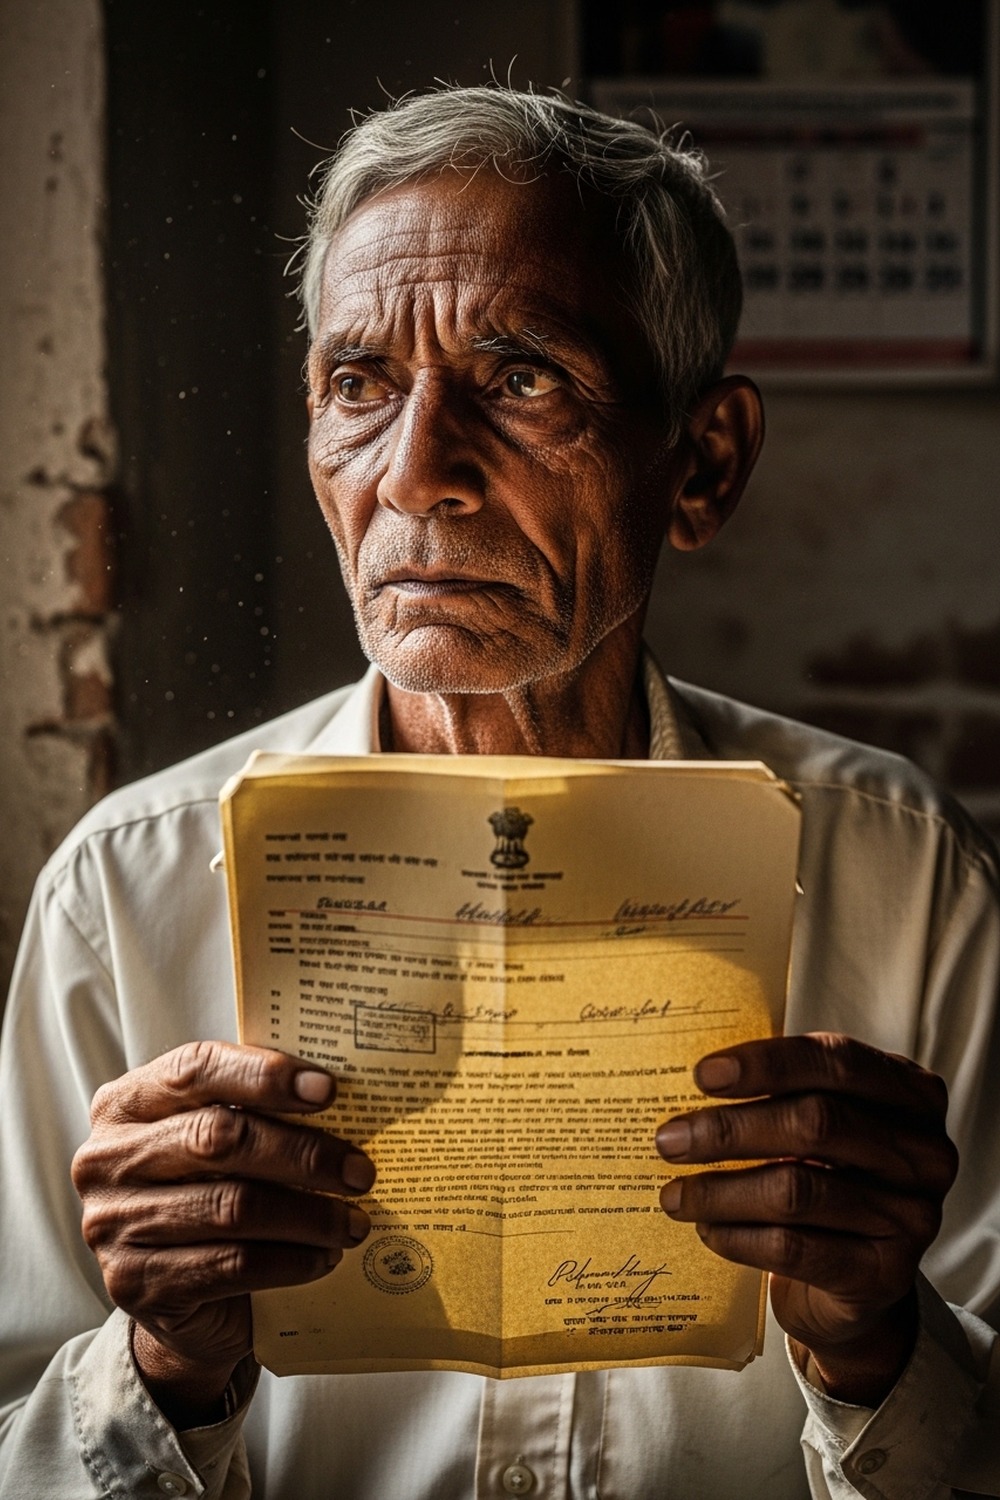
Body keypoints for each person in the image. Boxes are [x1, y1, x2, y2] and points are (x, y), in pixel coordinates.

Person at [1, 85, 998, 1500]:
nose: (417, 475)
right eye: (358, 385)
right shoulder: (130, 888)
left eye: (522, 379)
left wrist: (875, 1343)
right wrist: (163, 1366)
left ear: (702, 462)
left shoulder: (901, 879)